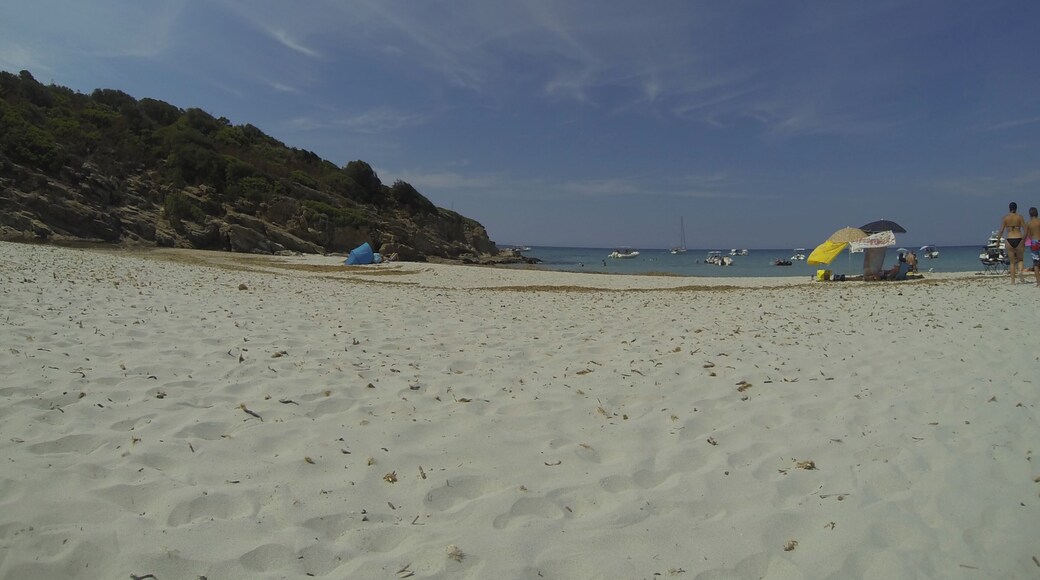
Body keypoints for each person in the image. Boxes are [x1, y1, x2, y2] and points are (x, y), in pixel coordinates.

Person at [996, 202, 1026, 284]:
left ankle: (1013, 281)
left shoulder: (1005, 218)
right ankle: (1020, 272)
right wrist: (1024, 240)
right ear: (1016, 208)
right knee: (1020, 260)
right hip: (1019, 238)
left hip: (1009, 239)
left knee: (1012, 262)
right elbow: (1025, 229)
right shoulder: (1020, 217)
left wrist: (998, 241)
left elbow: (1001, 231)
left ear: (1009, 208)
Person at [1026, 207, 1040, 287]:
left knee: (1036, 263)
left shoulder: (1028, 223)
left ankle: (1038, 283)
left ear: (1030, 214)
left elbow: (1028, 235)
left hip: (1034, 242)